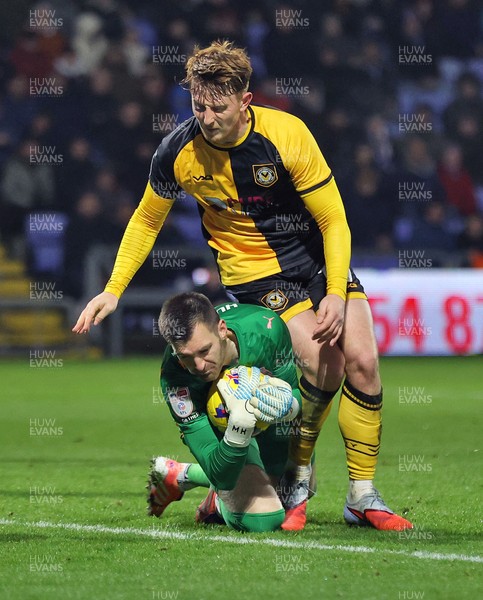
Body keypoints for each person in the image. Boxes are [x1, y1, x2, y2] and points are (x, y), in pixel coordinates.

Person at [73, 40, 413, 532]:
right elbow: (147, 219)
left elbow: (334, 219)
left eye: (218, 107)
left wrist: (336, 292)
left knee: (361, 359)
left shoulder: (288, 135)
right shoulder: (177, 152)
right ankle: (295, 477)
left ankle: (361, 496)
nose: (207, 118)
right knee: (322, 362)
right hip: (252, 270)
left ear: (245, 101)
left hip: (316, 261)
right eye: (198, 106)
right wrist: (113, 288)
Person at [148, 292, 301, 532]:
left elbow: (293, 392)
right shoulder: (175, 378)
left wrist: (289, 407)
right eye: (185, 357)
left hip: (270, 423)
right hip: (223, 436)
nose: (198, 366)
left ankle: (180, 474)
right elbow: (222, 475)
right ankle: (218, 502)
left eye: (204, 351)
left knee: (299, 484)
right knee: (265, 519)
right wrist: (238, 428)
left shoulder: (267, 328)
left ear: (221, 329)